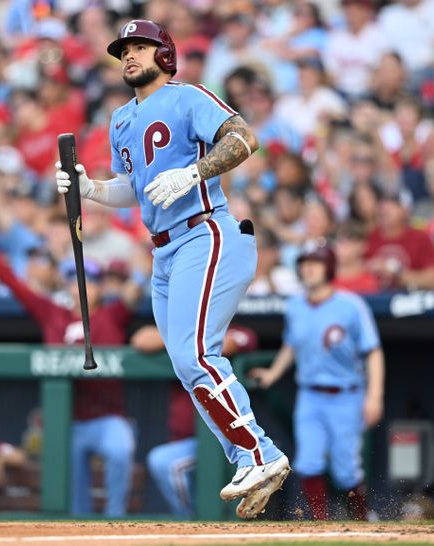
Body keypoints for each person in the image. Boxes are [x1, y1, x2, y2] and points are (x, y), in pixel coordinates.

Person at [55, 20, 289, 520]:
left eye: (140, 46)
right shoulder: (120, 119)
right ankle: (249, 458)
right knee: (188, 365)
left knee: (194, 355)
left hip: (205, 232)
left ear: (164, 53)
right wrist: (90, 188)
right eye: (124, 50)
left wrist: (195, 171)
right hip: (164, 251)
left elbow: (244, 138)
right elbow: (133, 189)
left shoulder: (188, 97)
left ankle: (260, 453)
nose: (130, 56)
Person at [0, 233, 142, 516]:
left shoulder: (112, 313)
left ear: (101, 286)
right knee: (74, 501)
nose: (81, 285)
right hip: (66, 421)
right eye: (74, 278)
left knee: (120, 449)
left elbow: (136, 285)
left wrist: (152, 244)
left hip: (107, 416)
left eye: (90, 279)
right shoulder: (52, 313)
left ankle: (116, 523)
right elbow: (15, 285)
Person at [248, 240, 384, 520]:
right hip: (310, 395)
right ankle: (320, 524)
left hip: (346, 394)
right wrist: (273, 372)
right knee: (308, 463)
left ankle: (361, 522)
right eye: (305, 264)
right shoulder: (296, 305)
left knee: (347, 472)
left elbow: (373, 352)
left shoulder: (350, 305)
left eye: (315, 263)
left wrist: (374, 396)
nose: (308, 269)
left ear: (329, 267)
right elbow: (292, 345)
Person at [132, 324, 258, 517]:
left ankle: (201, 518)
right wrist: (179, 338)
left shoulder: (236, 330)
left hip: (228, 439)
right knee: (162, 460)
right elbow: (141, 340)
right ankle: (190, 520)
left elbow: (229, 344)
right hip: (188, 440)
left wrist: (181, 343)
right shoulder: (179, 331)